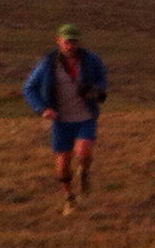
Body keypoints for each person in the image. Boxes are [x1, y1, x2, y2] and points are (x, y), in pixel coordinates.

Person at [21, 24, 109, 213]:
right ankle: (69, 199)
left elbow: (102, 78)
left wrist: (95, 91)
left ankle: (84, 171)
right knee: (62, 165)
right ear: (58, 41)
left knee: (83, 153)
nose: (70, 45)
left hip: (84, 117)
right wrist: (42, 109)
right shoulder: (48, 63)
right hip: (60, 121)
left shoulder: (90, 59)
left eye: (74, 41)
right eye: (67, 41)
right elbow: (28, 88)